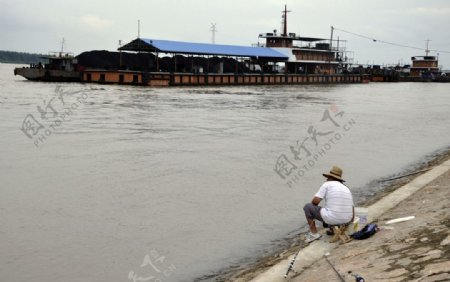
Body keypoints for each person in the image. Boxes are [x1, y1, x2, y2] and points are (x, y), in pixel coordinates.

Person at [303, 166, 354, 243]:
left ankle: (314, 234)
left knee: (308, 207)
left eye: (327, 177)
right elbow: (352, 208)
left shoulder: (327, 184)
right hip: (348, 219)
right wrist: (351, 220)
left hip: (334, 218)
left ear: (330, 177)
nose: (326, 179)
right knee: (330, 208)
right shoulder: (346, 188)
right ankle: (331, 229)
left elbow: (315, 202)